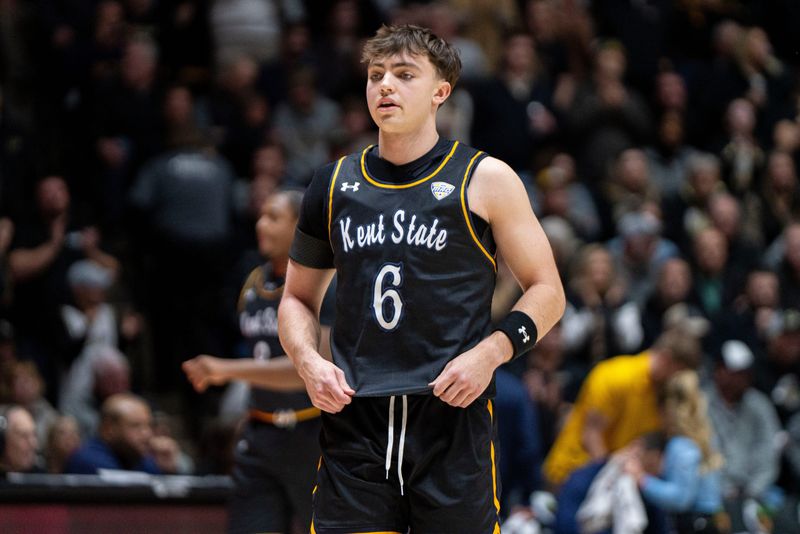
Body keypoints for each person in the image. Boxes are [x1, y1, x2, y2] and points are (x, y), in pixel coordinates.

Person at [278, 24, 565, 533]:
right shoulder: (331, 184)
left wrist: (490, 353)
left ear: (440, 92)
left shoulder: (485, 178)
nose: (385, 85)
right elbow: (297, 299)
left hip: (450, 419)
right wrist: (308, 363)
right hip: (355, 423)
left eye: (404, 74)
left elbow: (548, 291)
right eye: (375, 75)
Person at [182, 189, 325, 534]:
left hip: (314, 434)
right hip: (260, 433)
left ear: (300, 225)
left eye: (274, 217)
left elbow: (310, 370)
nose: (261, 224)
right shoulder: (252, 281)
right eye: (261, 216)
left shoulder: (325, 281)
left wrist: (225, 369)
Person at [543, 328, 702, 488]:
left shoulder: (662, 394)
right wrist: (610, 478)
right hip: (571, 477)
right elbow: (591, 436)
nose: (681, 381)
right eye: (679, 373)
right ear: (666, 359)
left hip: (611, 484)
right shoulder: (616, 376)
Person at [624, 371, 725, 534]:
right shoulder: (706, 437)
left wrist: (641, 479)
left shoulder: (680, 444)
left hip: (694, 525)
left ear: (666, 409)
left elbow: (680, 498)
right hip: (711, 523)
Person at [64, 393, 178, 475]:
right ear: (108, 429)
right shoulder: (86, 459)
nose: (146, 434)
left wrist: (168, 472)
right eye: (136, 426)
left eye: (148, 426)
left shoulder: (138, 458)